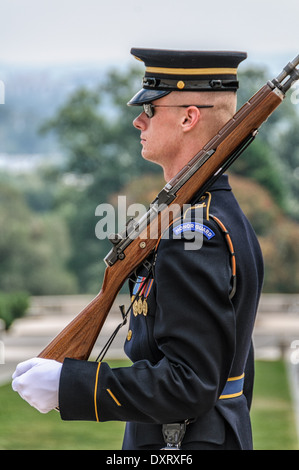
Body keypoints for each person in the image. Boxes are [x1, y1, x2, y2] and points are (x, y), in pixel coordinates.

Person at [12, 48, 264, 450]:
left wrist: (71, 386)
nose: (138, 120)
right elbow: (232, 361)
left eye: (151, 109)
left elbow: (189, 385)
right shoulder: (217, 217)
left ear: (188, 117)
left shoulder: (193, 235)